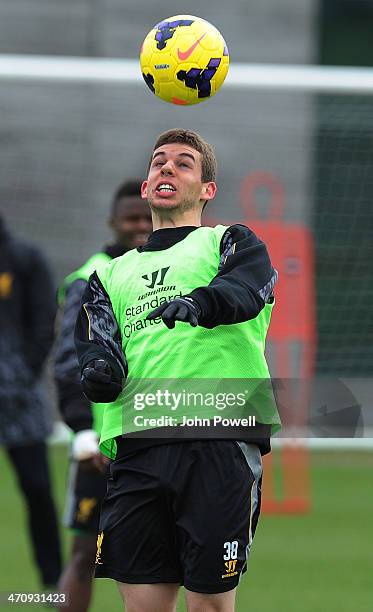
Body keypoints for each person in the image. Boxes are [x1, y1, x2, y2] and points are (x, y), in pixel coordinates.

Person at [74, 129, 281, 612]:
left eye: (183, 163)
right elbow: (95, 341)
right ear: (146, 188)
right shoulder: (108, 274)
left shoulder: (230, 242)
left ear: (207, 190)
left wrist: (199, 302)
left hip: (219, 439)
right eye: (158, 162)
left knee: (209, 603)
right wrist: (99, 369)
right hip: (139, 447)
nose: (167, 168)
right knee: (143, 604)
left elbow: (249, 289)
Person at [54, 180, 152, 612]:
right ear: (113, 222)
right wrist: (82, 431)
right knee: (83, 556)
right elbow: (66, 360)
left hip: (152, 435)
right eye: (132, 218)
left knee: (152, 559)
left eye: (147, 217)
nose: (141, 227)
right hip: (100, 443)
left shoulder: (169, 270)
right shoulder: (89, 279)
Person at [0, 214, 62, 591]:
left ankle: (52, 584)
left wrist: (21, 375)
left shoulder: (23, 258)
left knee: (38, 490)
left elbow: (44, 322)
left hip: (20, 402)